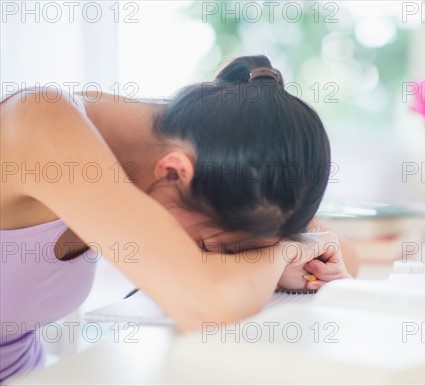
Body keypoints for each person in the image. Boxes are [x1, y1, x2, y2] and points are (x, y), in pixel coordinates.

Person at [0, 55, 358, 382]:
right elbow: (205, 306)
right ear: (174, 171)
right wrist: (283, 254)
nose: (214, 261)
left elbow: (341, 255)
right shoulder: (41, 127)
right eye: (209, 248)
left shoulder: (200, 146)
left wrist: (297, 248)